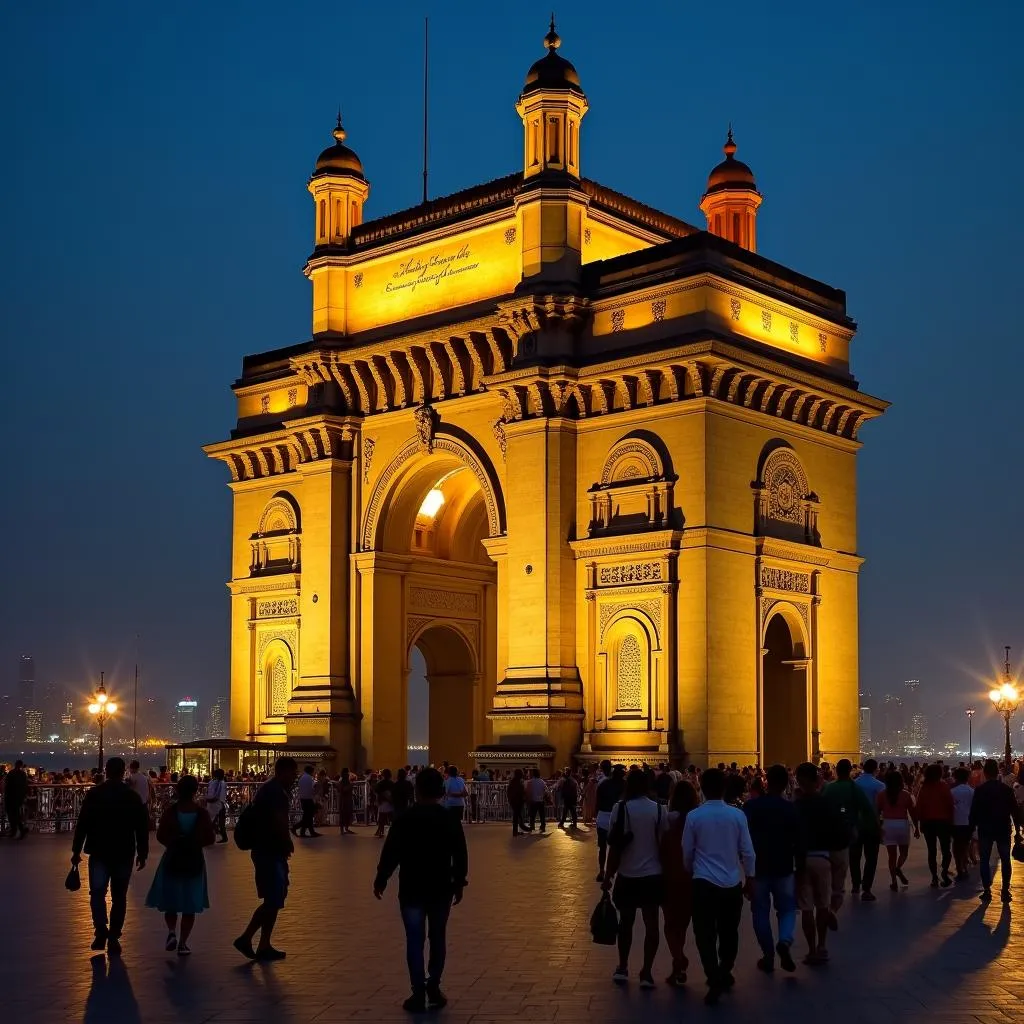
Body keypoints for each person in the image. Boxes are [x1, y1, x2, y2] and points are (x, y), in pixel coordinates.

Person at [374, 767, 469, 1012]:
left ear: (416, 790)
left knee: (414, 941)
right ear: (441, 791)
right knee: (437, 937)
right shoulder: (449, 819)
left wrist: (382, 878)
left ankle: (417, 991)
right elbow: (460, 853)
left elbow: (391, 851)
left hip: (411, 888)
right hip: (440, 888)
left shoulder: (404, 818)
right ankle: (434, 986)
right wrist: (459, 882)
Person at [683, 767, 756, 1005]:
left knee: (704, 933)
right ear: (724, 788)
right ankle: (724, 969)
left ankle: (713, 974)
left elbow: (687, 852)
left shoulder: (693, 817)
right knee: (729, 931)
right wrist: (750, 879)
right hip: (731, 882)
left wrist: (690, 870)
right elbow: (748, 852)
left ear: (701, 788)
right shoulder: (737, 815)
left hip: (703, 882)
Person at [70, 757, 149, 954]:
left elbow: (83, 824)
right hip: (124, 851)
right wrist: (143, 852)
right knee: (119, 896)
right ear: (123, 772)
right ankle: (114, 935)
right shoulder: (131, 797)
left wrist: (76, 850)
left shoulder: (95, 794)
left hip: (99, 850)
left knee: (97, 893)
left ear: (106, 770)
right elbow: (141, 827)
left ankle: (100, 931)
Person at [602, 768, 666, 988]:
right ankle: (647, 972)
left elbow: (614, 847)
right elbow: (662, 843)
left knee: (625, 923)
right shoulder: (659, 810)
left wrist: (607, 875)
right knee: (652, 925)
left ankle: (622, 966)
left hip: (627, 875)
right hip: (652, 875)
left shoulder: (620, 809)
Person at [234, 756, 298, 961]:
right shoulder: (275, 791)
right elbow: (279, 820)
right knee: (273, 898)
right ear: (282, 771)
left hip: (267, 850)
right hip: (269, 851)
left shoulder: (270, 789)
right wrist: (287, 841)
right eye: (293, 772)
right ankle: (247, 938)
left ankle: (263, 944)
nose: (295, 777)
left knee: (274, 898)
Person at [146, 775, 215, 954]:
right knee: (190, 902)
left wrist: (175, 843)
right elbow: (210, 837)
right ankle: (183, 943)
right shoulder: (201, 813)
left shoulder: (171, 811)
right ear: (195, 791)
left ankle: (171, 931)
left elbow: (161, 835)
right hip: (193, 859)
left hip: (173, 858)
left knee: (171, 899)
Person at [743, 764, 800, 974]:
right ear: (786, 783)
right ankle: (784, 940)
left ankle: (768, 955)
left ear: (767, 782)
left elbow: (743, 840)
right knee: (787, 909)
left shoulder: (751, 807)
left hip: (758, 868)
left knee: (759, 912)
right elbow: (798, 840)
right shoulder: (791, 809)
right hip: (784, 866)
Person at [793, 762, 847, 966]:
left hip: (802, 860)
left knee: (806, 908)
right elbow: (841, 833)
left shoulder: (796, 807)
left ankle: (811, 950)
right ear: (818, 781)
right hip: (823, 858)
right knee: (823, 905)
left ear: (798, 781)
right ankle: (823, 946)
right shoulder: (828, 804)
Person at [822, 757, 873, 917]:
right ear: (850, 770)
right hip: (847, 834)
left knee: (836, 867)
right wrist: (876, 828)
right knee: (842, 870)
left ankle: (827, 902)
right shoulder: (854, 788)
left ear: (836, 770)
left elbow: (819, 809)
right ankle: (834, 906)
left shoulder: (828, 788)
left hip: (827, 836)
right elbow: (868, 810)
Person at [660, 778, 699, 986]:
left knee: (669, 924)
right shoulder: (697, 818)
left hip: (669, 875)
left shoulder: (668, 818)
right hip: (691, 877)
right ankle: (679, 957)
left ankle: (678, 958)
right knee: (682, 924)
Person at [970, 758, 1020, 903]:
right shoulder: (1007, 790)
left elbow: (974, 812)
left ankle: (987, 890)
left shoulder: (980, 791)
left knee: (984, 859)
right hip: (1003, 828)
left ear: (985, 773)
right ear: (997, 771)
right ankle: (1005, 890)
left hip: (985, 829)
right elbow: (1014, 812)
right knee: (1005, 860)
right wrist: (1017, 831)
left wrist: (972, 828)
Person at [878, 770, 919, 892]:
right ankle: (898, 868)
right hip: (902, 824)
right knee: (904, 853)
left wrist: (878, 827)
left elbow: (877, 811)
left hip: (888, 824)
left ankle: (894, 882)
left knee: (891, 855)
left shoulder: (882, 795)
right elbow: (913, 812)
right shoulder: (906, 795)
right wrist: (916, 827)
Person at [851, 758, 885, 900]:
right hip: (872, 825)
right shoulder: (880, 785)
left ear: (862, 767)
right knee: (871, 858)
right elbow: (881, 808)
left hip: (856, 825)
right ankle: (867, 887)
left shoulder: (854, 784)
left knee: (854, 857)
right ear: (876, 769)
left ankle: (855, 884)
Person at [916, 763, 955, 888]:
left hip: (928, 823)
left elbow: (919, 807)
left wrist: (919, 824)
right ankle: (944, 871)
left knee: (931, 851)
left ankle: (934, 878)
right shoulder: (944, 786)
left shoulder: (924, 788)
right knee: (946, 850)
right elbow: (950, 804)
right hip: (943, 822)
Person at [595, 763, 625, 881]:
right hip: (618, 818)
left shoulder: (603, 784)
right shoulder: (625, 785)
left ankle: (602, 871)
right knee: (619, 846)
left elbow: (598, 802)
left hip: (603, 816)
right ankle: (616, 871)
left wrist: (596, 815)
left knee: (602, 847)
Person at [950, 766, 974, 881]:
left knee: (956, 844)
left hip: (955, 822)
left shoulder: (952, 792)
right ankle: (964, 865)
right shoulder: (972, 791)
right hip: (968, 822)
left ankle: (959, 866)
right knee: (965, 844)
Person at [293, 764, 321, 838]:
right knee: (308, 817)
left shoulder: (302, 777)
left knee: (307, 816)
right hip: (308, 799)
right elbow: (311, 790)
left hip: (303, 799)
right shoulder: (309, 778)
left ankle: (307, 832)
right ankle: (295, 827)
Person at [5, 760, 29, 839]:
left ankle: (14, 830)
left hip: (10, 797)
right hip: (18, 797)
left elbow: (7, 785)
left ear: (15, 765)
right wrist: (23, 796)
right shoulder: (23, 774)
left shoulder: (11, 773)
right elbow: (25, 786)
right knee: (16, 814)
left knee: (11, 814)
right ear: (21, 765)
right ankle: (19, 830)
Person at [206, 767, 229, 843]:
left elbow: (214, 794)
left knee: (212, 821)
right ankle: (223, 836)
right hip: (221, 803)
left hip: (216, 804)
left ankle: (213, 836)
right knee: (221, 821)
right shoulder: (223, 783)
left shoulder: (214, 782)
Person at [526, 768, 547, 834]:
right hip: (541, 800)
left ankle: (532, 826)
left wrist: (528, 800)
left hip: (533, 800)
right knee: (542, 815)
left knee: (532, 815)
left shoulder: (530, 782)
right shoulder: (542, 781)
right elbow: (545, 791)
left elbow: (528, 792)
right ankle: (543, 826)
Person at [507, 769, 528, 836]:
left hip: (513, 801)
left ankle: (518, 830)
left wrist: (510, 800)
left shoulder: (512, 782)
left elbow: (508, 792)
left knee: (517, 816)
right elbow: (521, 792)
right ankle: (516, 831)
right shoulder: (519, 782)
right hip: (518, 801)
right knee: (517, 816)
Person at [375, 768, 395, 836]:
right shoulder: (392, 783)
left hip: (382, 802)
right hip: (390, 802)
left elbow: (377, 792)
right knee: (391, 818)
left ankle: (381, 831)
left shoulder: (380, 783)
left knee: (382, 818)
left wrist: (378, 801)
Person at [337, 768, 355, 835]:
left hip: (347, 799)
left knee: (347, 814)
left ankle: (345, 828)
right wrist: (351, 785)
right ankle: (343, 829)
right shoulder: (342, 781)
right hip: (344, 800)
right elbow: (343, 789)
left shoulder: (345, 780)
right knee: (344, 814)